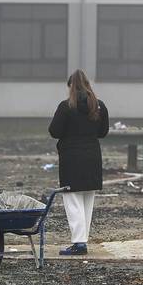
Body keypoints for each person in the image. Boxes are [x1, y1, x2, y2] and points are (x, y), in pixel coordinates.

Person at [49, 69, 109, 255]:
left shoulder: (66, 106)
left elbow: (54, 131)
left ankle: (79, 243)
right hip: (92, 157)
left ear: (71, 87)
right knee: (86, 202)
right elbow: (103, 132)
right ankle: (82, 240)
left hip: (72, 159)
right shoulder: (98, 106)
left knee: (72, 201)